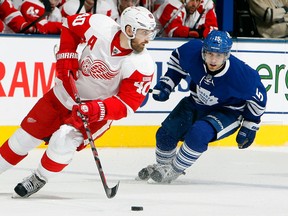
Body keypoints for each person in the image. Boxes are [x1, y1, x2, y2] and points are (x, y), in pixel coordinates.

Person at [0, 6, 156, 197]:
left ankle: (39, 178)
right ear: (129, 29)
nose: (148, 38)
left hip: (94, 113)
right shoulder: (100, 26)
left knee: (62, 141)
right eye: (144, 32)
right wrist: (67, 55)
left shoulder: (142, 64)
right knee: (22, 139)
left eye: (151, 33)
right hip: (63, 94)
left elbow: (127, 105)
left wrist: (94, 108)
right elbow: (70, 25)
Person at [137, 30, 267, 184]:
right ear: (203, 51)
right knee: (165, 134)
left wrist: (250, 125)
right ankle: (162, 165)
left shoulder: (242, 76)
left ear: (227, 55)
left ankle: (174, 170)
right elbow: (177, 62)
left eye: (218, 55)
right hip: (196, 101)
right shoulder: (192, 51)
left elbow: (260, 100)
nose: (213, 60)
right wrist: (167, 83)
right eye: (210, 54)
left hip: (228, 111)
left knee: (198, 134)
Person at [153, 0, 218, 38]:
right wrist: (200, 32)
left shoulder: (206, 4)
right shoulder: (171, 4)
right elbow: (175, 31)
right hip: (153, 41)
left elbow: (213, 30)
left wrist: (202, 32)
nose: (194, 4)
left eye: (197, 0)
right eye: (192, 0)